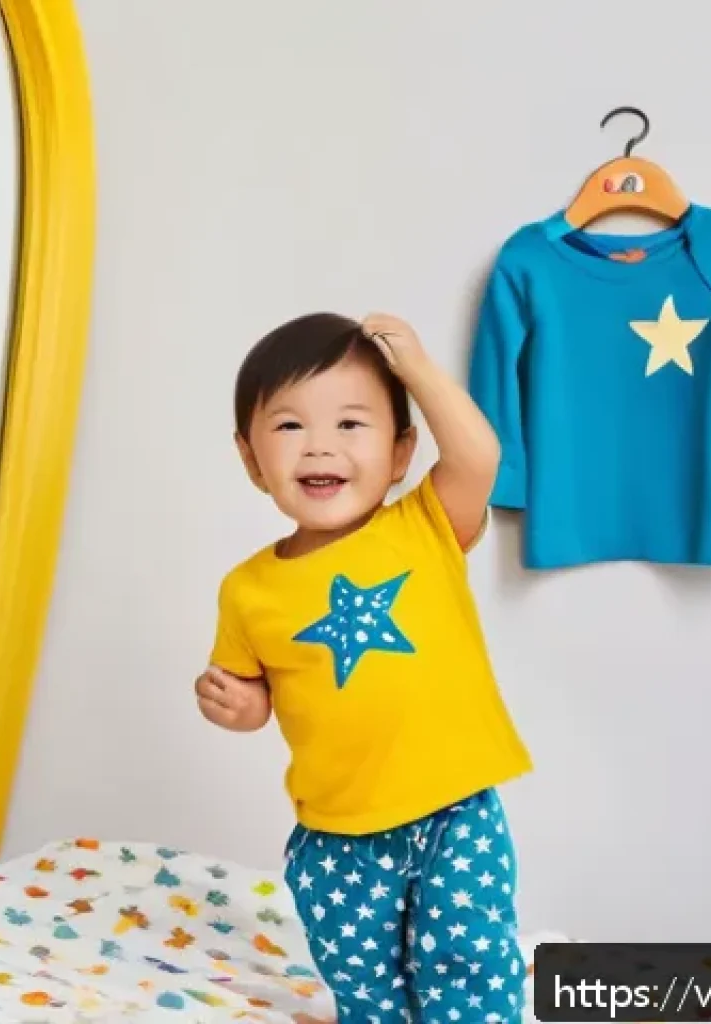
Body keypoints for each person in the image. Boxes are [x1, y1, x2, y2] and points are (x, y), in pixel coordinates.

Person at [195, 312, 532, 1024]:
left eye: (351, 424)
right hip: (339, 831)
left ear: (401, 450)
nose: (320, 446)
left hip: (454, 809)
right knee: (362, 977)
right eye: (288, 428)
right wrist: (235, 705)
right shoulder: (249, 590)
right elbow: (258, 695)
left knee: (466, 957)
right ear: (251, 459)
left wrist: (419, 373)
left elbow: (479, 458)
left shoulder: (425, 526)